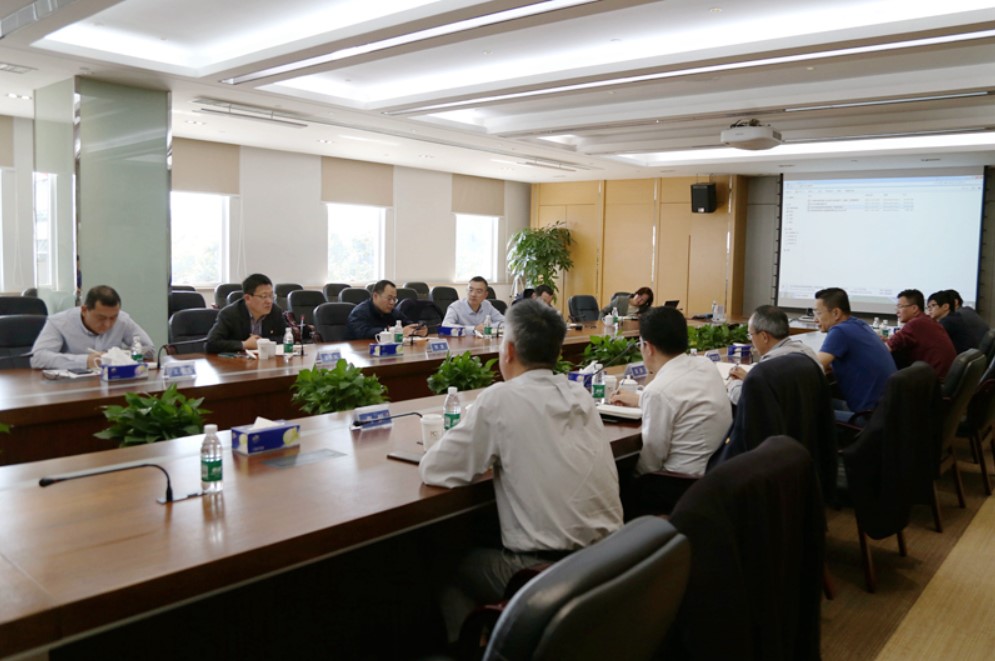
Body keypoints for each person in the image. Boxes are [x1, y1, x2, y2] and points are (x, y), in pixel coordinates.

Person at [420, 300, 623, 641]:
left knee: (446, 563)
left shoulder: (501, 399)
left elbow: (435, 469)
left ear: (509, 351)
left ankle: (480, 648)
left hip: (545, 572)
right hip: (606, 561)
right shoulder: (579, 393)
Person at [608, 305, 731, 513]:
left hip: (679, 488)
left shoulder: (658, 391)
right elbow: (683, 399)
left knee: (617, 479)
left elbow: (650, 463)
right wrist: (640, 399)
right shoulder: (705, 365)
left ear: (648, 347)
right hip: (715, 476)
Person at [814, 287, 896, 419]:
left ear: (836, 313)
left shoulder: (840, 331)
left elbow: (814, 366)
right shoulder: (859, 324)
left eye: (818, 313)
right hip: (884, 413)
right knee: (818, 402)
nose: (815, 319)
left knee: (808, 412)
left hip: (867, 418)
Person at [30, 285, 153, 370]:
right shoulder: (59, 322)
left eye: (113, 318)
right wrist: (86, 361)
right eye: (101, 318)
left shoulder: (122, 320)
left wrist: (117, 356)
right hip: (71, 387)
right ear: (84, 310)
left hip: (112, 383)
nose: (108, 324)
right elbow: (38, 358)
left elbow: (148, 349)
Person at [726, 304, 819, 405]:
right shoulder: (808, 352)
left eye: (750, 335)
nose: (751, 340)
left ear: (764, 337)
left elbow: (747, 400)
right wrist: (749, 378)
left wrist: (733, 383)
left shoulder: (769, 366)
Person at [205, 273, 286, 353]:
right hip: (236, 360)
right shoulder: (229, 314)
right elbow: (211, 343)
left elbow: (286, 337)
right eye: (264, 296)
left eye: (271, 296)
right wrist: (244, 344)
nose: (269, 301)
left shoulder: (275, 311)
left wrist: (264, 342)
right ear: (247, 298)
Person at [884, 289, 956, 378]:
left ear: (914, 308)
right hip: (941, 376)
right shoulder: (926, 320)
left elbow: (887, 348)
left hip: (933, 380)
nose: (897, 311)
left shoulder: (916, 323)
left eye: (900, 307)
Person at [346, 279, 428, 340]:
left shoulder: (391, 311)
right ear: (375, 296)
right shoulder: (359, 313)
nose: (392, 303)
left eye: (394, 299)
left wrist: (417, 329)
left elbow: (406, 322)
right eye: (389, 299)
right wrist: (394, 331)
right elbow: (364, 333)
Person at [927, 290, 975, 354]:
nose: (929, 309)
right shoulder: (955, 317)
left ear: (945, 307)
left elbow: (930, 341)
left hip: (958, 357)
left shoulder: (948, 322)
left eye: (933, 305)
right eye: (928, 307)